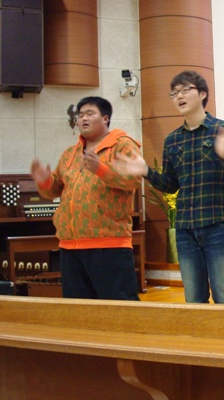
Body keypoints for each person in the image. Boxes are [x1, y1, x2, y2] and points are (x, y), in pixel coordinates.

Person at [114, 71, 224, 304]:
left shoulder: (223, 129)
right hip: (186, 229)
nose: (179, 97)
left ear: (202, 94)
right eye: (174, 93)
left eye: (185, 90)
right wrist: (146, 171)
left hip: (218, 225)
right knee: (193, 299)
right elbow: (171, 184)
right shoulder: (172, 140)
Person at [30, 96, 141, 300]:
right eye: (80, 115)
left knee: (119, 310)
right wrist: (44, 181)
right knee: (79, 310)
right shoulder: (70, 154)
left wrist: (101, 169)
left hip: (109, 245)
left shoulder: (122, 146)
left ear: (105, 118)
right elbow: (53, 191)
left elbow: (133, 180)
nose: (83, 118)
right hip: (70, 246)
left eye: (90, 113)